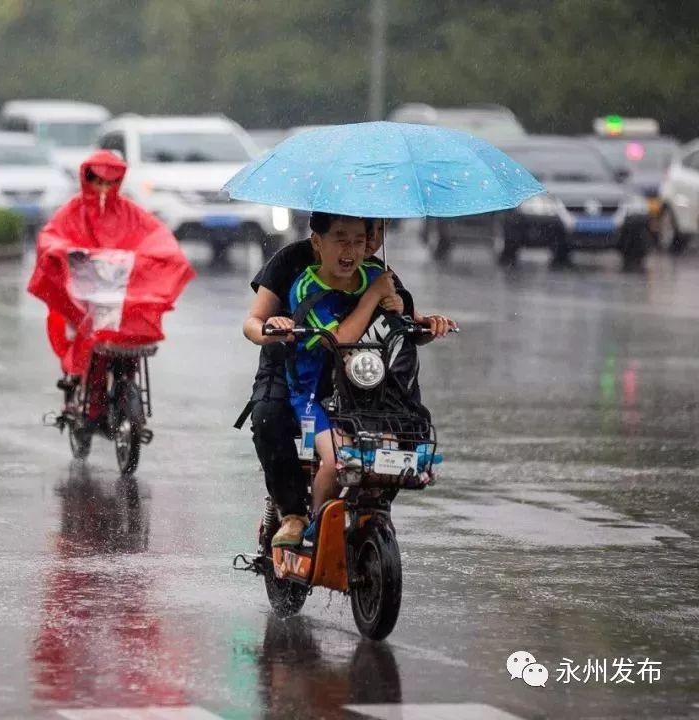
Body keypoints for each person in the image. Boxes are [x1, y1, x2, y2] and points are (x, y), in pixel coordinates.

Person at [238, 212, 453, 547]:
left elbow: (402, 325)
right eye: (342, 237)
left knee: (398, 428)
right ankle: (295, 514)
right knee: (269, 418)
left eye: (371, 233)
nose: (363, 244)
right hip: (297, 370)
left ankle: (372, 506)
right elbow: (256, 321)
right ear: (318, 242)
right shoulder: (296, 268)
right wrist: (268, 333)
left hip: (358, 380)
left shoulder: (376, 271)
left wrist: (423, 321)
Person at [28, 150, 193, 421]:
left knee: (127, 341)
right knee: (80, 336)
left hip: (120, 296)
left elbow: (155, 235)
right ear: (86, 179)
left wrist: (160, 256)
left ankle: (110, 397)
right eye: (98, 181)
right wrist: (64, 250)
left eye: (110, 182)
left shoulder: (129, 212)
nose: (103, 188)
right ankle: (79, 386)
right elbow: (52, 235)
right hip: (83, 296)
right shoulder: (73, 210)